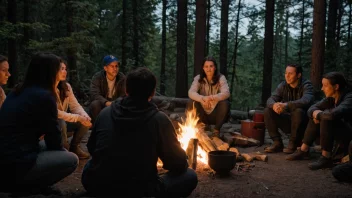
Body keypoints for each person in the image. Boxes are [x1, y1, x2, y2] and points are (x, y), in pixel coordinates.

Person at [82, 67, 198, 197]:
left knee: (90, 166)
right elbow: (177, 163)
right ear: (153, 93)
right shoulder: (158, 119)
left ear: (126, 90)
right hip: (139, 189)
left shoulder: (105, 113)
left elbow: (92, 148)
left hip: (97, 184)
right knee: (190, 175)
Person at [0, 52, 78, 192]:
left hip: (5, 157)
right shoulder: (44, 97)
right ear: (48, 73)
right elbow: (54, 142)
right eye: (57, 69)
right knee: (71, 159)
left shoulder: (17, 91)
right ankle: (29, 187)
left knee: (44, 145)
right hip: (16, 164)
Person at [286, 72, 352, 170]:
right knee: (318, 115)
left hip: (349, 137)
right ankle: (304, 150)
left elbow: (333, 114)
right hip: (340, 132)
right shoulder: (331, 98)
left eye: (325, 85)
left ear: (336, 86)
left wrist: (319, 114)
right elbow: (312, 108)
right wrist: (316, 113)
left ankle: (326, 157)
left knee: (325, 117)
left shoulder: (349, 97)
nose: (322, 88)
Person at [264, 64, 315, 154]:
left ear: (298, 75)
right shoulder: (283, 85)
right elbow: (271, 99)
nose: (287, 76)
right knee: (268, 111)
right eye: (286, 73)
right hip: (289, 121)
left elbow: (306, 100)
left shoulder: (307, 85)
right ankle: (277, 143)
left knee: (298, 111)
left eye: (290, 73)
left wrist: (286, 105)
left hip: (304, 124)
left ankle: (293, 143)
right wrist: (274, 105)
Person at [56, 61, 92, 159]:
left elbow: (75, 106)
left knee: (85, 118)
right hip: (53, 125)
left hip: (64, 123)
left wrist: (84, 116)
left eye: (65, 69)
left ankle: (74, 147)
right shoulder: (47, 89)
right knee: (61, 121)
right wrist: (78, 117)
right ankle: (63, 150)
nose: (65, 72)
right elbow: (56, 113)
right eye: (62, 69)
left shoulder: (66, 87)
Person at [188, 56, 230, 137]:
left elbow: (226, 93)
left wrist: (211, 98)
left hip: (215, 113)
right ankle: (201, 126)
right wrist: (202, 98)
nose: (208, 69)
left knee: (225, 103)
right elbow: (191, 92)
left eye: (211, 66)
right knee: (191, 102)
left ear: (215, 67)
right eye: (206, 66)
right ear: (203, 68)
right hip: (202, 112)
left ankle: (216, 130)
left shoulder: (221, 78)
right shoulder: (198, 78)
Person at [89, 55, 125, 124]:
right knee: (95, 104)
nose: (115, 69)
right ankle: (98, 127)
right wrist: (106, 102)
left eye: (116, 66)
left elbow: (124, 95)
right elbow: (94, 94)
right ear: (105, 68)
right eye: (112, 66)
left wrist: (115, 103)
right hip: (102, 103)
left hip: (116, 104)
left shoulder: (122, 78)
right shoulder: (98, 77)